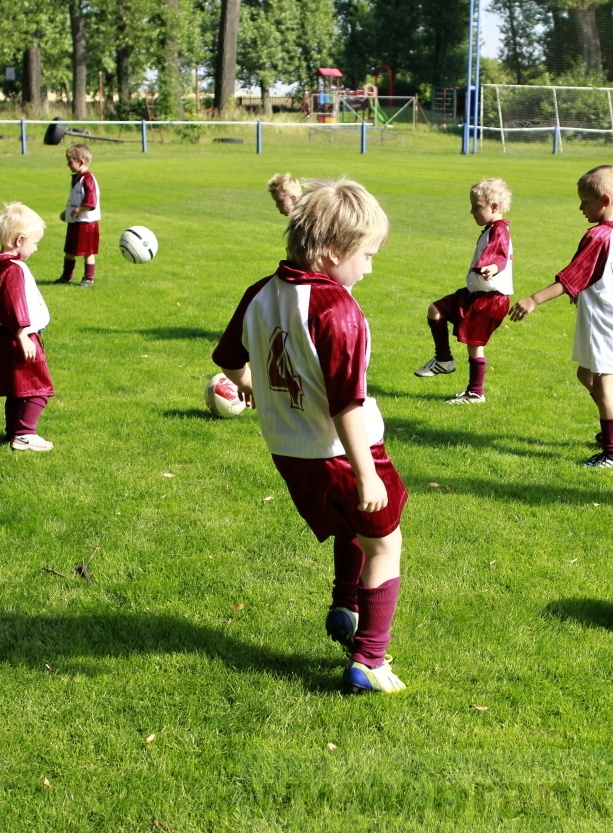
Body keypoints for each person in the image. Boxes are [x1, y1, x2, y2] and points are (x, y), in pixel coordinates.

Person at [212, 178, 409, 695]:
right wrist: (366, 471)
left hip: (288, 450)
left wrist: (252, 385)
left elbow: (228, 359)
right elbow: (348, 402)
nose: (369, 267)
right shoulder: (337, 309)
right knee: (385, 545)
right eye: (366, 255)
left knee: (351, 529)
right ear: (329, 253)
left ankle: (345, 606)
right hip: (341, 454)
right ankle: (370, 659)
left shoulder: (260, 291)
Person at [508, 165, 613, 468]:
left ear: (604, 200)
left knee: (604, 388)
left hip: (608, 324)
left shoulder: (598, 236)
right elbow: (601, 275)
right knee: (585, 375)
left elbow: (571, 277)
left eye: (585, 202)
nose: (580, 208)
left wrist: (533, 299)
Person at [414, 177, 514, 404]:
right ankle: (443, 360)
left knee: (475, 346)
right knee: (435, 310)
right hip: (474, 294)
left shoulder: (499, 230)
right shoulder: (491, 228)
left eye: (477, 206)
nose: (471, 211)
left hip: (490, 298)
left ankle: (476, 393)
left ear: (494, 207)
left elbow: (499, 255)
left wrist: (491, 267)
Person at [0, 202, 57, 452]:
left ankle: (13, 431)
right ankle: (25, 432)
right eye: (34, 243)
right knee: (40, 388)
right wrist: (23, 334)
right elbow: (14, 304)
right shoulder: (12, 270)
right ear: (19, 240)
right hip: (19, 336)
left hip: (4, 336)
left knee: (17, 390)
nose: (35, 248)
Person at [55, 144, 100, 286]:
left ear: (81, 162)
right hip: (74, 222)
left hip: (87, 223)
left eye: (70, 161)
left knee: (88, 252)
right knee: (69, 250)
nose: (68, 164)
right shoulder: (77, 177)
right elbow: (74, 199)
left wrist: (78, 210)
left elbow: (91, 202)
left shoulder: (88, 179)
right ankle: (66, 276)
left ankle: (88, 278)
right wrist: (67, 212)